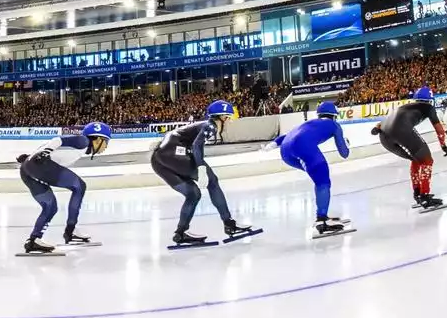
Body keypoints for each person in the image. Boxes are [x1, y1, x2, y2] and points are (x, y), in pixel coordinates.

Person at [150, 99, 254, 245]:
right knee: (213, 181)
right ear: (222, 117)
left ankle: (180, 233)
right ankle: (229, 223)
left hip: (157, 160)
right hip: (173, 154)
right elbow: (196, 146)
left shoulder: (203, 125)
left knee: (193, 194)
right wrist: (201, 168)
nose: (230, 122)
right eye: (229, 118)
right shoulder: (210, 126)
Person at [17, 121, 111, 254]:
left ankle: (33, 240)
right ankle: (70, 231)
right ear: (98, 139)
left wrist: (34, 156)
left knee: (50, 207)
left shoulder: (78, 148)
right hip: (40, 166)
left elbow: (51, 150)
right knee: (79, 186)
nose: (106, 146)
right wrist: (44, 153)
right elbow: (57, 140)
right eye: (106, 141)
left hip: (26, 169)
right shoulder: (83, 141)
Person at [268, 101, 350, 235]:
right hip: (303, 147)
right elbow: (344, 153)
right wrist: (346, 143)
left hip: (285, 151)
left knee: (319, 177)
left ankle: (322, 215)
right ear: (334, 115)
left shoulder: (309, 123)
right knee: (322, 179)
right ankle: (321, 219)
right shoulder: (334, 125)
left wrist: (273, 144)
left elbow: (288, 135)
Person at [371, 86, 447, 208]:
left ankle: (417, 193)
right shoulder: (428, 107)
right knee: (427, 160)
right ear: (430, 99)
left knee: (416, 159)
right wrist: (443, 144)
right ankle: (424, 196)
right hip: (401, 130)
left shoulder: (404, 106)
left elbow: (384, 121)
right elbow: (438, 128)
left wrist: (376, 128)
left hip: (384, 135)